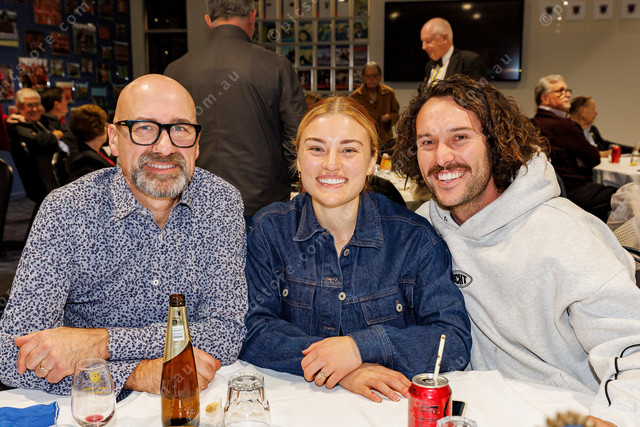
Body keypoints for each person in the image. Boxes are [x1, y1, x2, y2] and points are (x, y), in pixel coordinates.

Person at [394, 74, 640, 427]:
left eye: (460, 137)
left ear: (495, 143)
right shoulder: (422, 231)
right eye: (427, 142)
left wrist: (617, 416)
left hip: (563, 411)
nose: (442, 157)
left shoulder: (565, 233)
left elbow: (632, 347)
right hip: (472, 408)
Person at [0, 74, 248, 399]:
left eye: (180, 129)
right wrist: (135, 373)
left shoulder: (220, 203)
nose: (165, 147)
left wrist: (102, 343)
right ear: (113, 139)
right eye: (144, 128)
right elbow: (13, 357)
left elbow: (227, 333)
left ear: (197, 143)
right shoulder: (67, 210)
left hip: (195, 401)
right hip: (92, 408)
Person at [240, 97, 471, 403]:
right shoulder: (269, 231)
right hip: (296, 407)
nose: (331, 163)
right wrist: (343, 369)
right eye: (316, 148)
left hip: (385, 411)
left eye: (348, 150)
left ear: (372, 161)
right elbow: (251, 327)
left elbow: (452, 341)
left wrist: (360, 347)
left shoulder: (413, 238)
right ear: (298, 159)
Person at [164, 0, 306, 220]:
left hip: (194, 201)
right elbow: (298, 137)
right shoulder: (276, 66)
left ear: (208, 20)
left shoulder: (175, 70)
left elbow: (164, 136)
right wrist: (298, 178)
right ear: (253, 16)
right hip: (262, 204)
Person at [532, 75, 616, 222]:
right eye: (561, 91)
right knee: (623, 194)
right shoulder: (563, 125)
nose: (568, 95)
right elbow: (593, 158)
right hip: (574, 192)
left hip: (547, 194)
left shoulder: (532, 123)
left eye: (567, 90)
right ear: (545, 98)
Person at [350, 61, 400, 156]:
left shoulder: (389, 93)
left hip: (385, 139)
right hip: (364, 139)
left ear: (380, 77)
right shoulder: (356, 95)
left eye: (375, 76)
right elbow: (352, 118)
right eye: (368, 76)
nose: (371, 79)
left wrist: (390, 117)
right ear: (363, 78)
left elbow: (396, 113)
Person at [420, 17, 488, 84]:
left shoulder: (469, 61)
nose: (423, 47)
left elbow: (481, 90)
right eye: (422, 42)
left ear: (444, 38)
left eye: (428, 41)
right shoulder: (429, 65)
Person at [66, 103, 116, 183]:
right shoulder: (84, 161)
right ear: (96, 128)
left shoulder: (97, 151)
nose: (106, 128)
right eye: (104, 125)